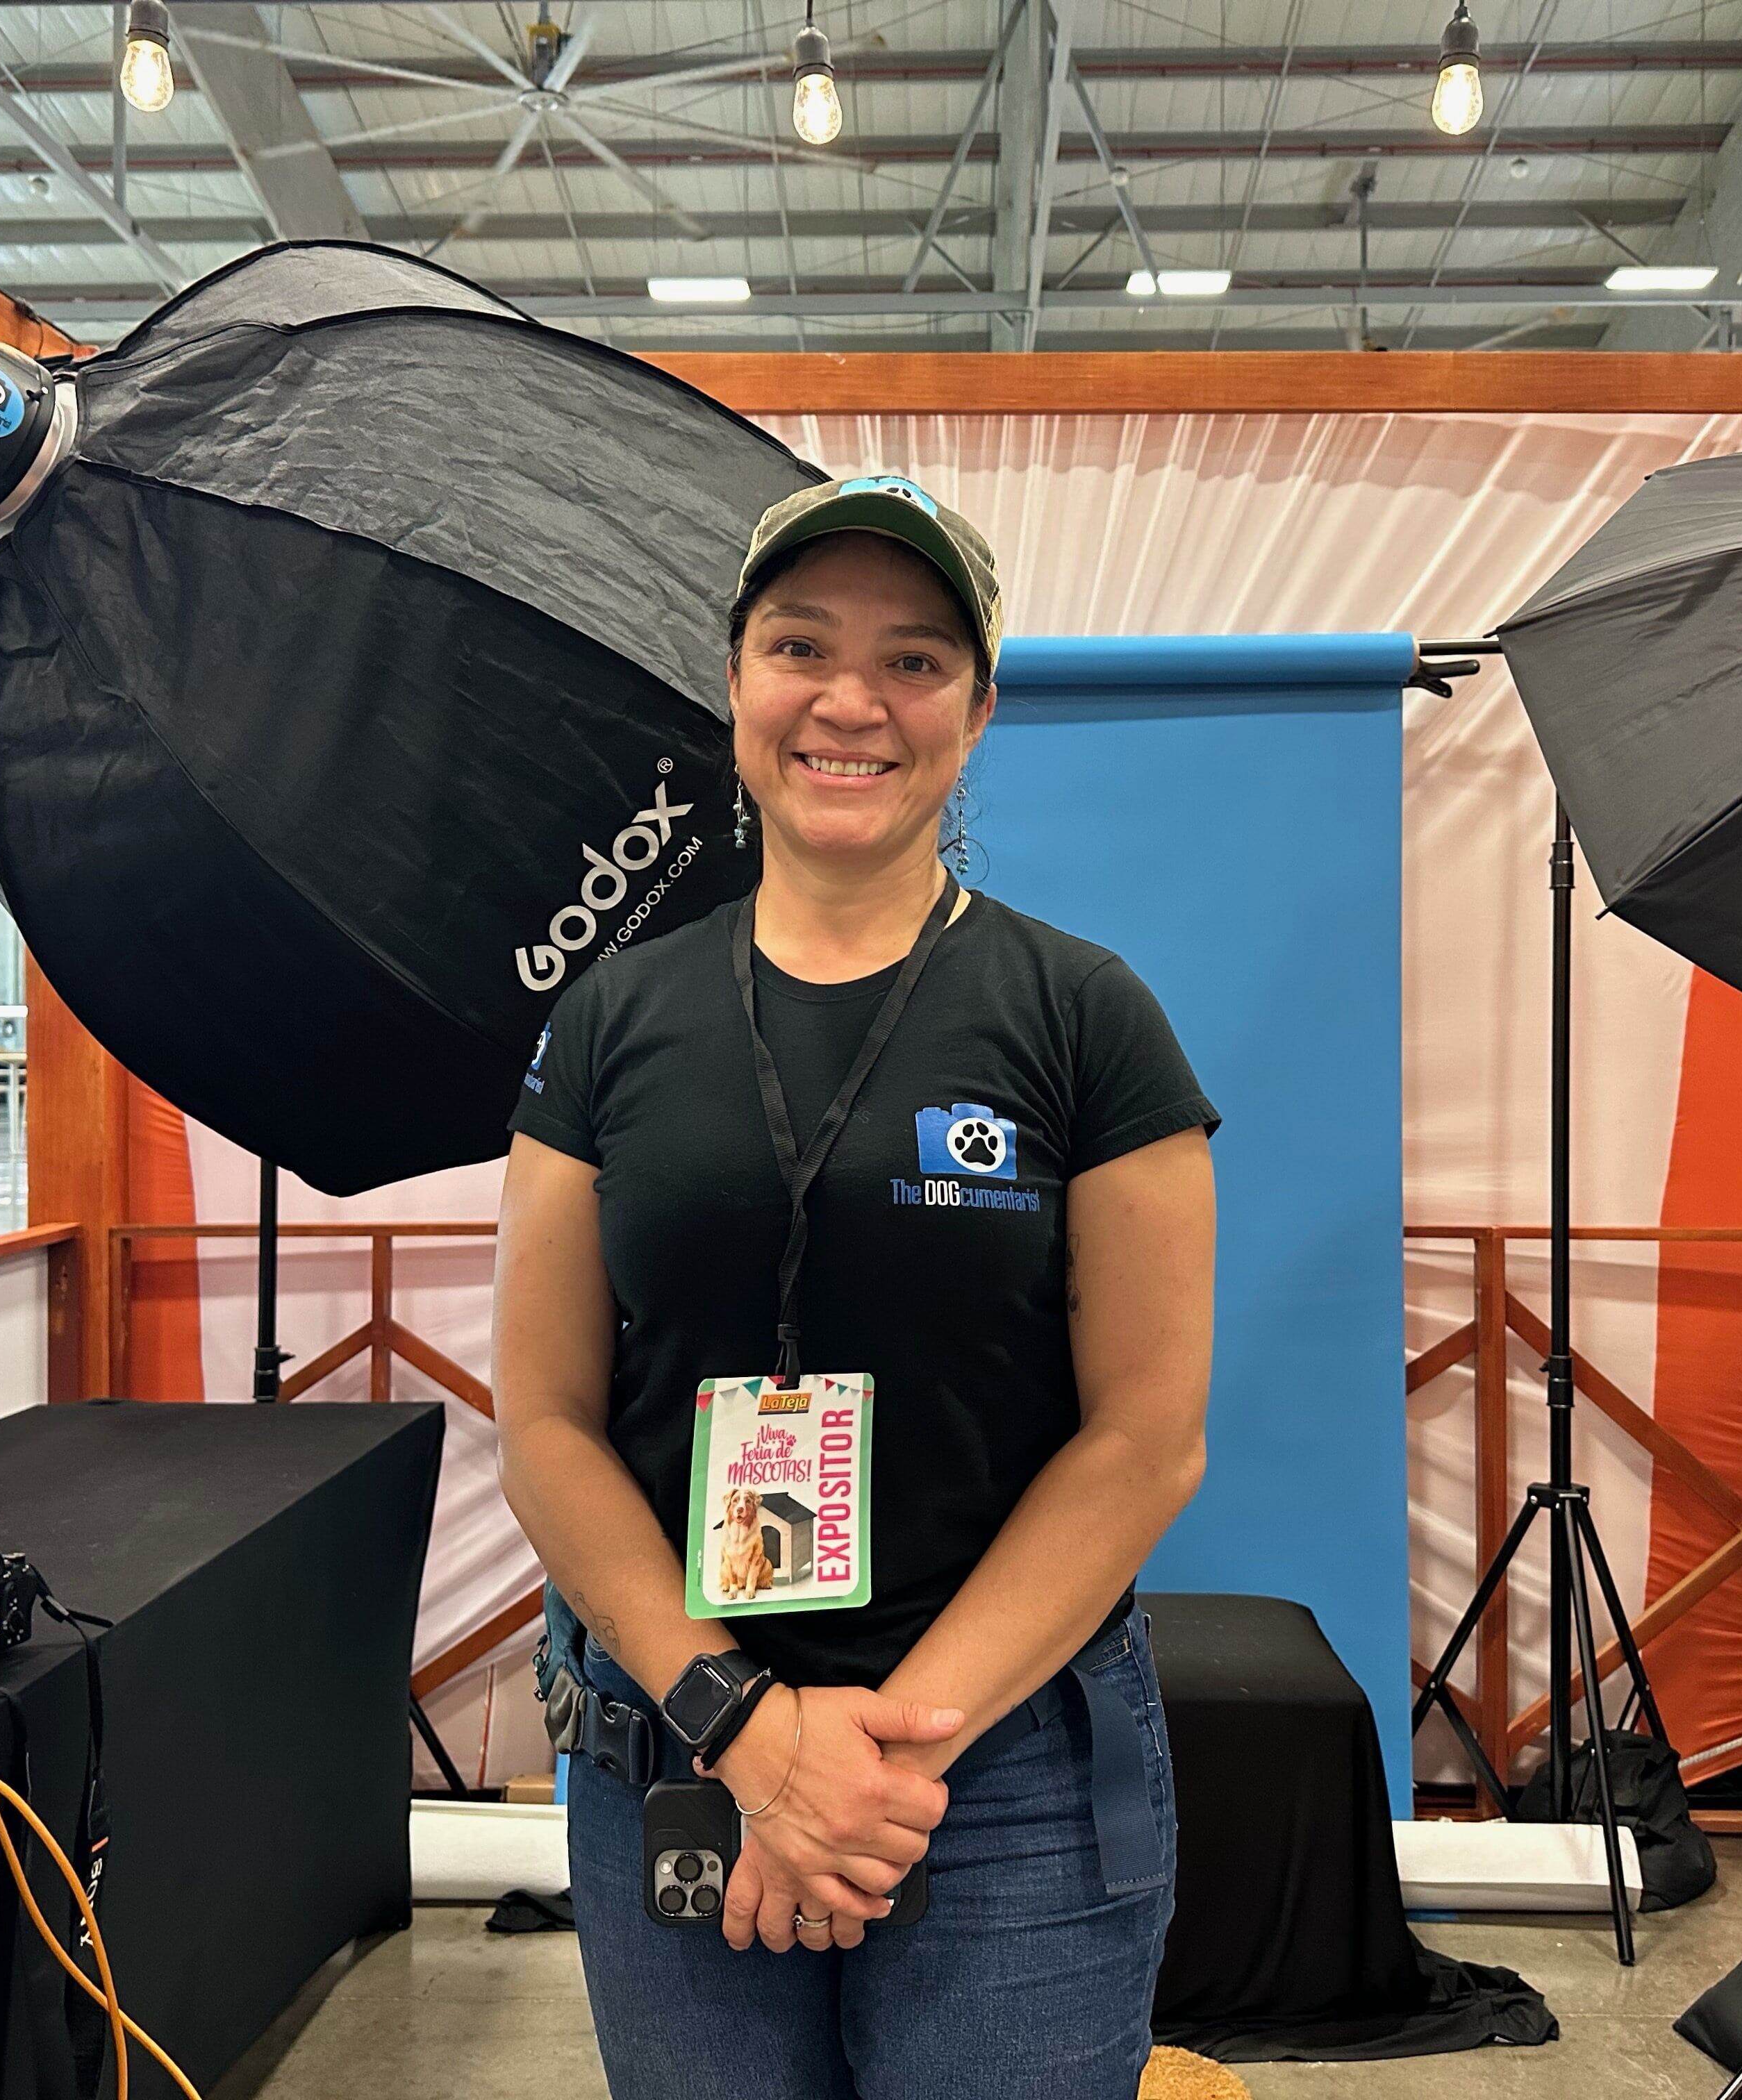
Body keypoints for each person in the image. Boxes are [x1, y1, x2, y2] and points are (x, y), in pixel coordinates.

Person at [493, 475, 1219, 2099]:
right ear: (737, 682)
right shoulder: (611, 1024)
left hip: (1009, 1774)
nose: (851, 701)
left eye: (915, 660)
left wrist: (881, 1762)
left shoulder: (1087, 1018)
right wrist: (747, 1732)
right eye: (800, 644)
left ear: (975, 710)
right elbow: (541, 1420)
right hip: (677, 1750)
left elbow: (1146, 1439)